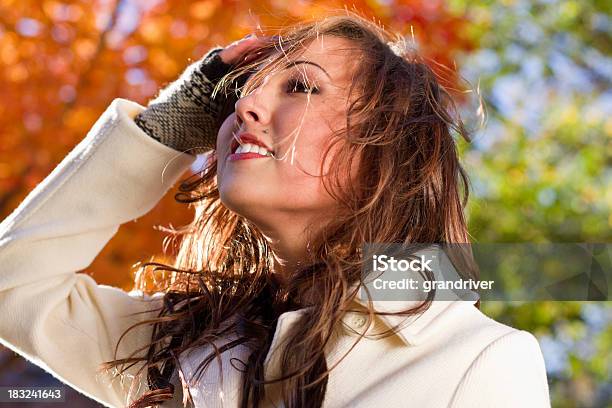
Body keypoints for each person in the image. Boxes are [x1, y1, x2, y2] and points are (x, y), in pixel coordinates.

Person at [0, 11, 550, 408]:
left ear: (385, 152)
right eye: (244, 91)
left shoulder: (476, 360)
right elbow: (12, 288)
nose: (244, 104)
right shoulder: (176, 345)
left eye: (302, 87)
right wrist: (166, 129)